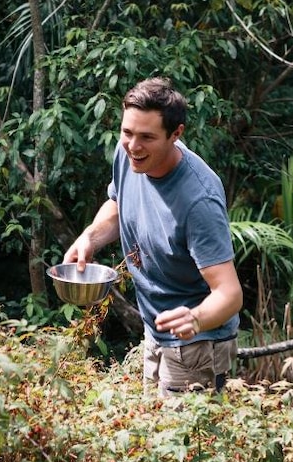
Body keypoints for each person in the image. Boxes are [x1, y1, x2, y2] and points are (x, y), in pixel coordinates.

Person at [63, 77, 243, 396]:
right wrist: (90, 237)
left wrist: (197, 319)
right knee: (151, 433)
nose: (133, 145)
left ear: (176, 134)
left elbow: (229, 294)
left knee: (184, 443)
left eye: (147, 137)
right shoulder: (130, 156)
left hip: (197, 342)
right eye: (127, 132)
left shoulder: (199, 201)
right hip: (155, 328)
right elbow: (118, 203)